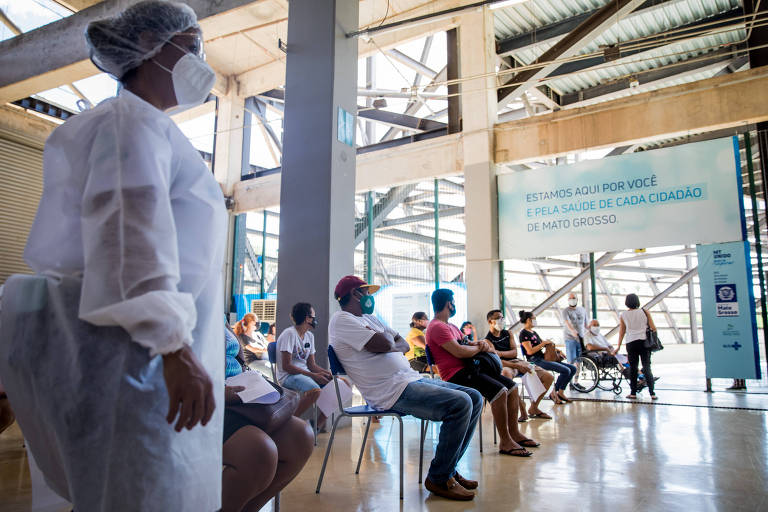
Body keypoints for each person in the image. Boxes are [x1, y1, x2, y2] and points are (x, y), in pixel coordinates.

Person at [0, 3, 224, 509]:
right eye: (190, 46)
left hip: (136, 359)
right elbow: (128, 238)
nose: (199, 59)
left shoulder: (140, 127)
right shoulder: (130, 126)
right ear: (150, 44)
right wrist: (174, 347)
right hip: (134, 360)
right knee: (135, 494)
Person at [329, 276, 483, 501]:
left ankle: (447, 468)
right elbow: (386, 343)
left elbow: (404, 344)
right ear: (355, 294)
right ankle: (439, 478)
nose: (370, 297)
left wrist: (387, 344)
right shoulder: (341, 319)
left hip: (409, 379)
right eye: (366, 292)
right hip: (389, 391)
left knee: (475, 397)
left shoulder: (370, 319)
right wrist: (388, 344)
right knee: (461, 403)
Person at [426, 289, 539, 458]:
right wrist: (479, 346)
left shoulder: (452, 326)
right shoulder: (436, 327)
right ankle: (505, 441)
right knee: (499, 391)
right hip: (455, 375)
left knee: (512, 387)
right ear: (449, 303)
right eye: (453, 301)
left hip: (471, 369)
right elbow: (460, 352)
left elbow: (468, 344)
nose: (454, 304)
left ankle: (514, 433)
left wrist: (480, 344)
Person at [223, 325, 313, 512]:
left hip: (237, 390)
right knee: (258, 451)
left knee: (301, 436)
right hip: (201, 396)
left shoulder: (214, 307)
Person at [484, 309, 554, 421]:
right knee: (505, 374)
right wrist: (516, 365)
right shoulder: (487, 341)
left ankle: (534, 407)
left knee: (548, 377)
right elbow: (497, 360)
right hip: (505, 364)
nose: (501, 320)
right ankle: (522, 406)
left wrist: (500, 353)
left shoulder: (508, 333)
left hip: (517, 361)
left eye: (502, 317)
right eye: (498, 318)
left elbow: (514, 352)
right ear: (490, 321)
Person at [276, 302, 332, 427]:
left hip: (304, 374)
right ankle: (287, 423)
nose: (315, 319)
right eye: (313, 316)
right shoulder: (289, 334)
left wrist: (327, 373)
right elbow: (287, 366)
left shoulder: (309, 336)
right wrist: (313, 376)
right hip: (287, 376)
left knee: (337, 387)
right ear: (307, 318)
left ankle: (316, 427)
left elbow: (312, 365)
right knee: (315, 391)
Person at [519, 311, 576, 405]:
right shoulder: (524, 333)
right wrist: (543, 344)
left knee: (572, 368)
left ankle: (560, 392)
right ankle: (554, 393)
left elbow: (544, 344)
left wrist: (558, 350)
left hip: (543, 358)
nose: (535, 320)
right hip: (534, 360)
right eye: (534, 318)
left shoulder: (533, 332)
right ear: (529, 320)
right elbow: (529, 351)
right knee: (566, 370)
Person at [614, 294, 658, 400]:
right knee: (647, 367)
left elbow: (622, 332)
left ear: (626, 302)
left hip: (631, 343)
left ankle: (633, 393)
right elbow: (653, 328)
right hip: (644, 342)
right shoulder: (645, 311)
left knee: (633, 368)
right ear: (637, 301)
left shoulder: (623, 315)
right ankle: (652, 393)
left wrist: (618, 346)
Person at [562, 292, 588, 391]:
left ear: (577, 299)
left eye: (574, 298)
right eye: (570, 298)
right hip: (570, 338)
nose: (572, 299)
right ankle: (570, 382)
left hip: (580, 338)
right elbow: (567, 323)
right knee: (571, 361)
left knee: (579, 361)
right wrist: (573, 331)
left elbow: (586, 323)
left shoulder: (582, 310)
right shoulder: (566, 311)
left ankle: (576, 382)